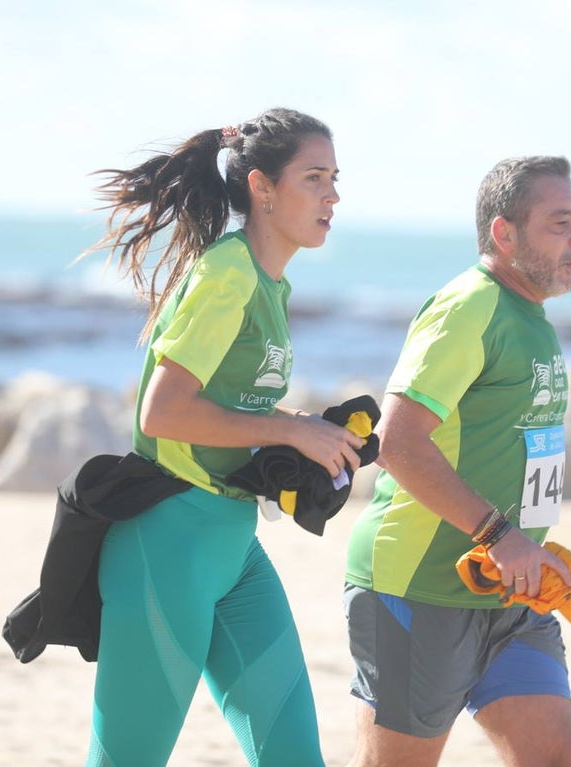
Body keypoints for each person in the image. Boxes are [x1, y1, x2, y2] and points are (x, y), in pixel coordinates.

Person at [81, 108, 364, 767]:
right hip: (167, 545)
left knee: (294, 756)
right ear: (263, 188)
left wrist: (306, 443)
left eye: (335, 178)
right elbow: (162, 412)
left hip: (233, 548)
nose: (333, 196)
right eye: (315, 178)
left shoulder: (267, 281)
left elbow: (227, 405)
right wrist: (292, 428)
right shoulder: (228, 273)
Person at [343, 156, 571, 766]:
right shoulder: (468, 307)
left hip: (511, 591)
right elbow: (397, 443)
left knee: (554, 757)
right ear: (505, 234)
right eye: (560, 223)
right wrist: (499, 533)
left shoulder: (531, 318)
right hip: (421, 585)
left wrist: (526, 542)